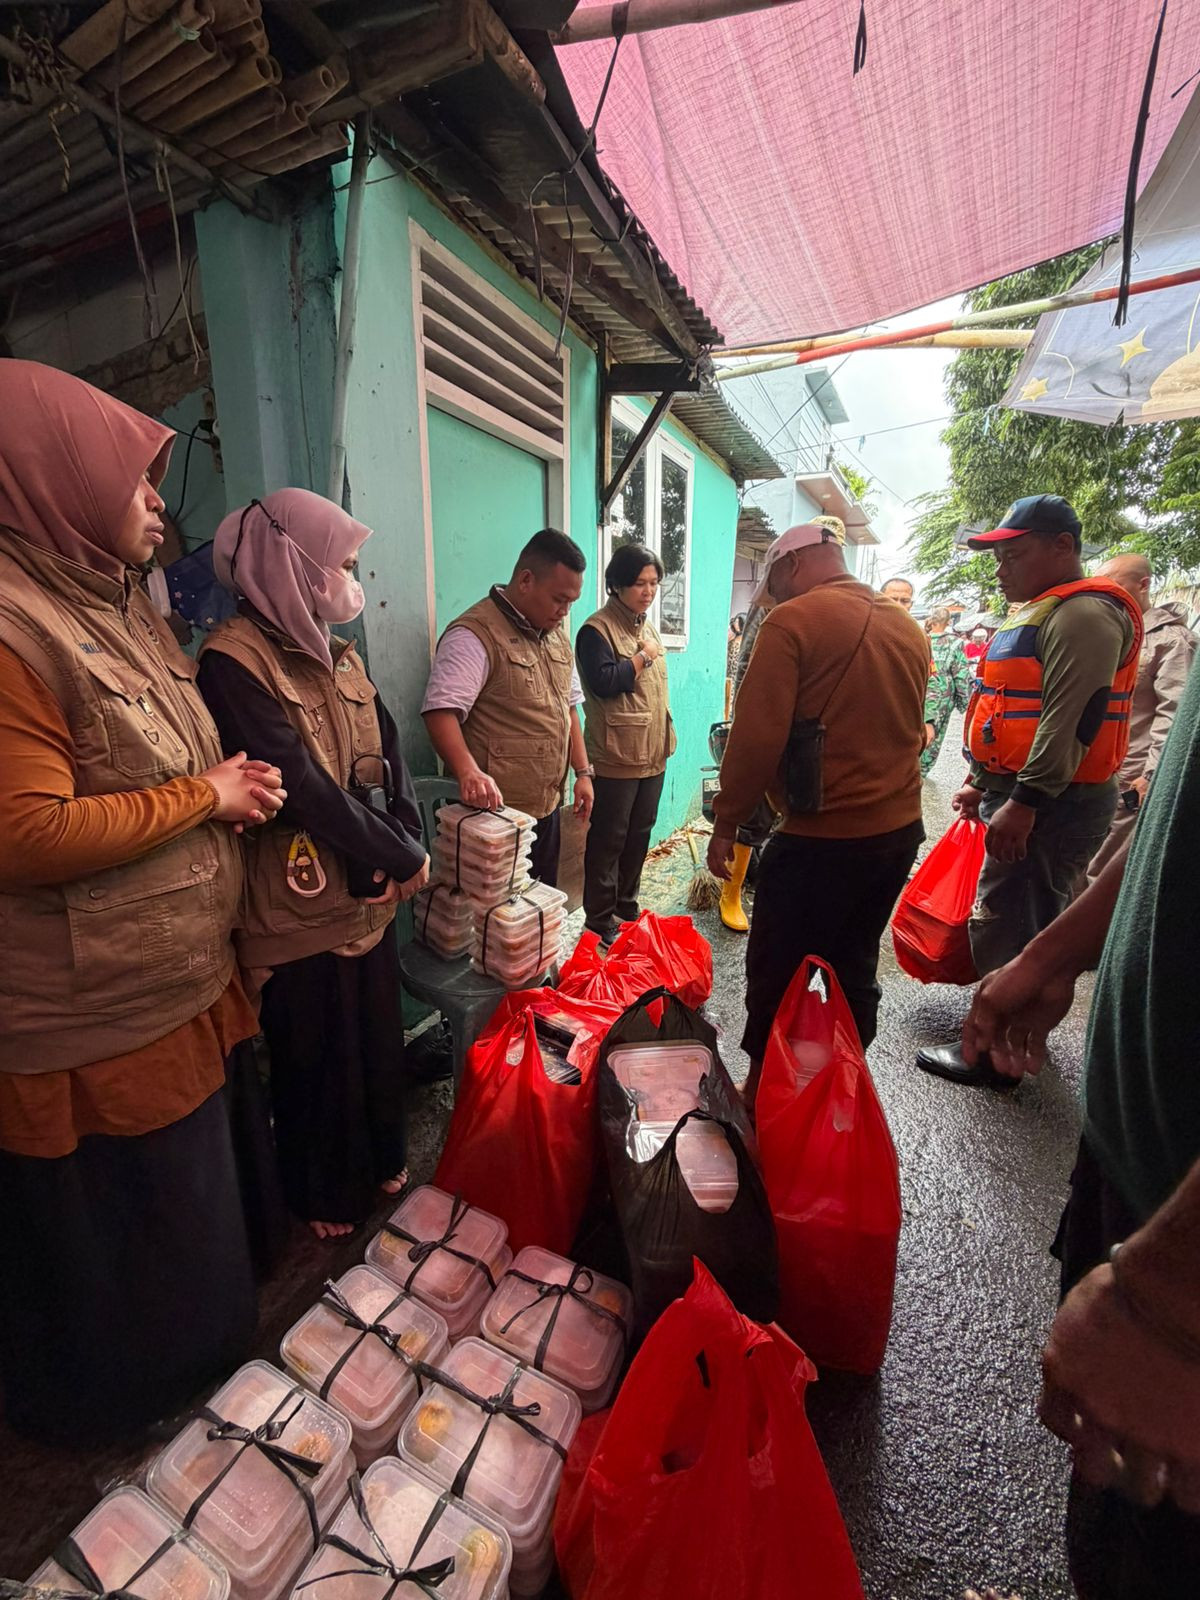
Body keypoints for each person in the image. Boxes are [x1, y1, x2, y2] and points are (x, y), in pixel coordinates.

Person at [0, 361, 287, 1441]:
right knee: (119, 1262)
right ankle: (124, 1448)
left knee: (185, 1239)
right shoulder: (14, 630)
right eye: (134, 478)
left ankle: (195, 1409)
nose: (159, 502)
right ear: (54, 482)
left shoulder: (114, 605)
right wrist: (202, 796)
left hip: (169, 988)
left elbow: (149, 761)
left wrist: (220, 798)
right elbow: (23, 835)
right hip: (88, 1016)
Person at [960, 661, 1200, 1596]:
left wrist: (1173, 1295)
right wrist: (1055, 951)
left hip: (1182, 1254)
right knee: (1108, 1537)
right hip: (1142, 1176)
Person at [197, 491, 430, 1240]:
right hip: (296, 892)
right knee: (316, 1046)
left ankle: (382, 1154)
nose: (352, 583)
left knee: (371, 1028)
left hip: (366, 885)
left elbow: (386, 751)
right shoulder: (234, 664)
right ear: (293, 565)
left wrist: (407, 831)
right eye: (343, 566)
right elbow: (299, 785)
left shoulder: (339, 651)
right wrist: (398, 852)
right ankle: (324, 1190)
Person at [916, 495, 1143, 1090]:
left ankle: (993, 1054)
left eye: (1014, 554)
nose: (1001, 568)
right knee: (1016, 912)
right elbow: (1011, 710)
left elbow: (1070, 721)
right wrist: (983, 784)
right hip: (1027, 792)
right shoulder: (1047, 612)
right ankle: (1000, 1040)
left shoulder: (1084, 615)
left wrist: (1025, 801)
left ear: (1062, 547)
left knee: (1021, 923)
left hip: (1053, 803)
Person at [707, 522, 928, 1108]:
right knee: (854, 961)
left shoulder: (794, 621)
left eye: (774, 582)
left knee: (777, 964)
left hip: (823, 837)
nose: (774, 595)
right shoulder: (908, 628)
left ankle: (759, 1091)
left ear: (793, 564)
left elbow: (755, 741)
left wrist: (727, 822)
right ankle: (843, 1083)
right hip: (897, 833)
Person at [421, 529, 594, 886]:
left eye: (571, 603)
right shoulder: (474, 634)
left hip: (545, 809)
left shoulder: (556, 636)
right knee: (495, 924)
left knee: (539, 912)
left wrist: (583, 772)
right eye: (559, 599)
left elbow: (569, 708)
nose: (565, 611)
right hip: (494, 818)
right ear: (526, 580)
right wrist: (467, 771)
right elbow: (441, 711)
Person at [714, 514, 849, 933]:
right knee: (753, 811)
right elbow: (749, 663)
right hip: (767, 717)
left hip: (819, 739)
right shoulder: (776, 605)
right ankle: (730, 892)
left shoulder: (849, 610)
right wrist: (742, 720)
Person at [575, 543, 676, 943]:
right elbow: (604, 682)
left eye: (654, 583)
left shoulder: (645, 626)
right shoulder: (594, 630)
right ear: (616, 584)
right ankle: (599, 918)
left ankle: (625, 906)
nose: (648, 591)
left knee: (640, 833)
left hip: (652, 753)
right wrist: (641, 659)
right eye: (639, 583)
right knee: (609, 838)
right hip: (616, 755)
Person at [1085, 552, 1195, 884]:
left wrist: (1151, 775)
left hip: (1131, 777)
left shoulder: (1171, 642)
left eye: (1112, 584)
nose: (1104, 592)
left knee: (1101, 872)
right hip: (1095, 771)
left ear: (1143, 585)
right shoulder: (1110, 633)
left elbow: (1174, 717)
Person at [921, 606, 972, 775]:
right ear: (949, 622)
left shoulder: (923, 637)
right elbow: (961, 673)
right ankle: (921, 770)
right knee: (934, 733)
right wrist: (964, 701)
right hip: (943, 693)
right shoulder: (956, 643)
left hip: (921, 688)